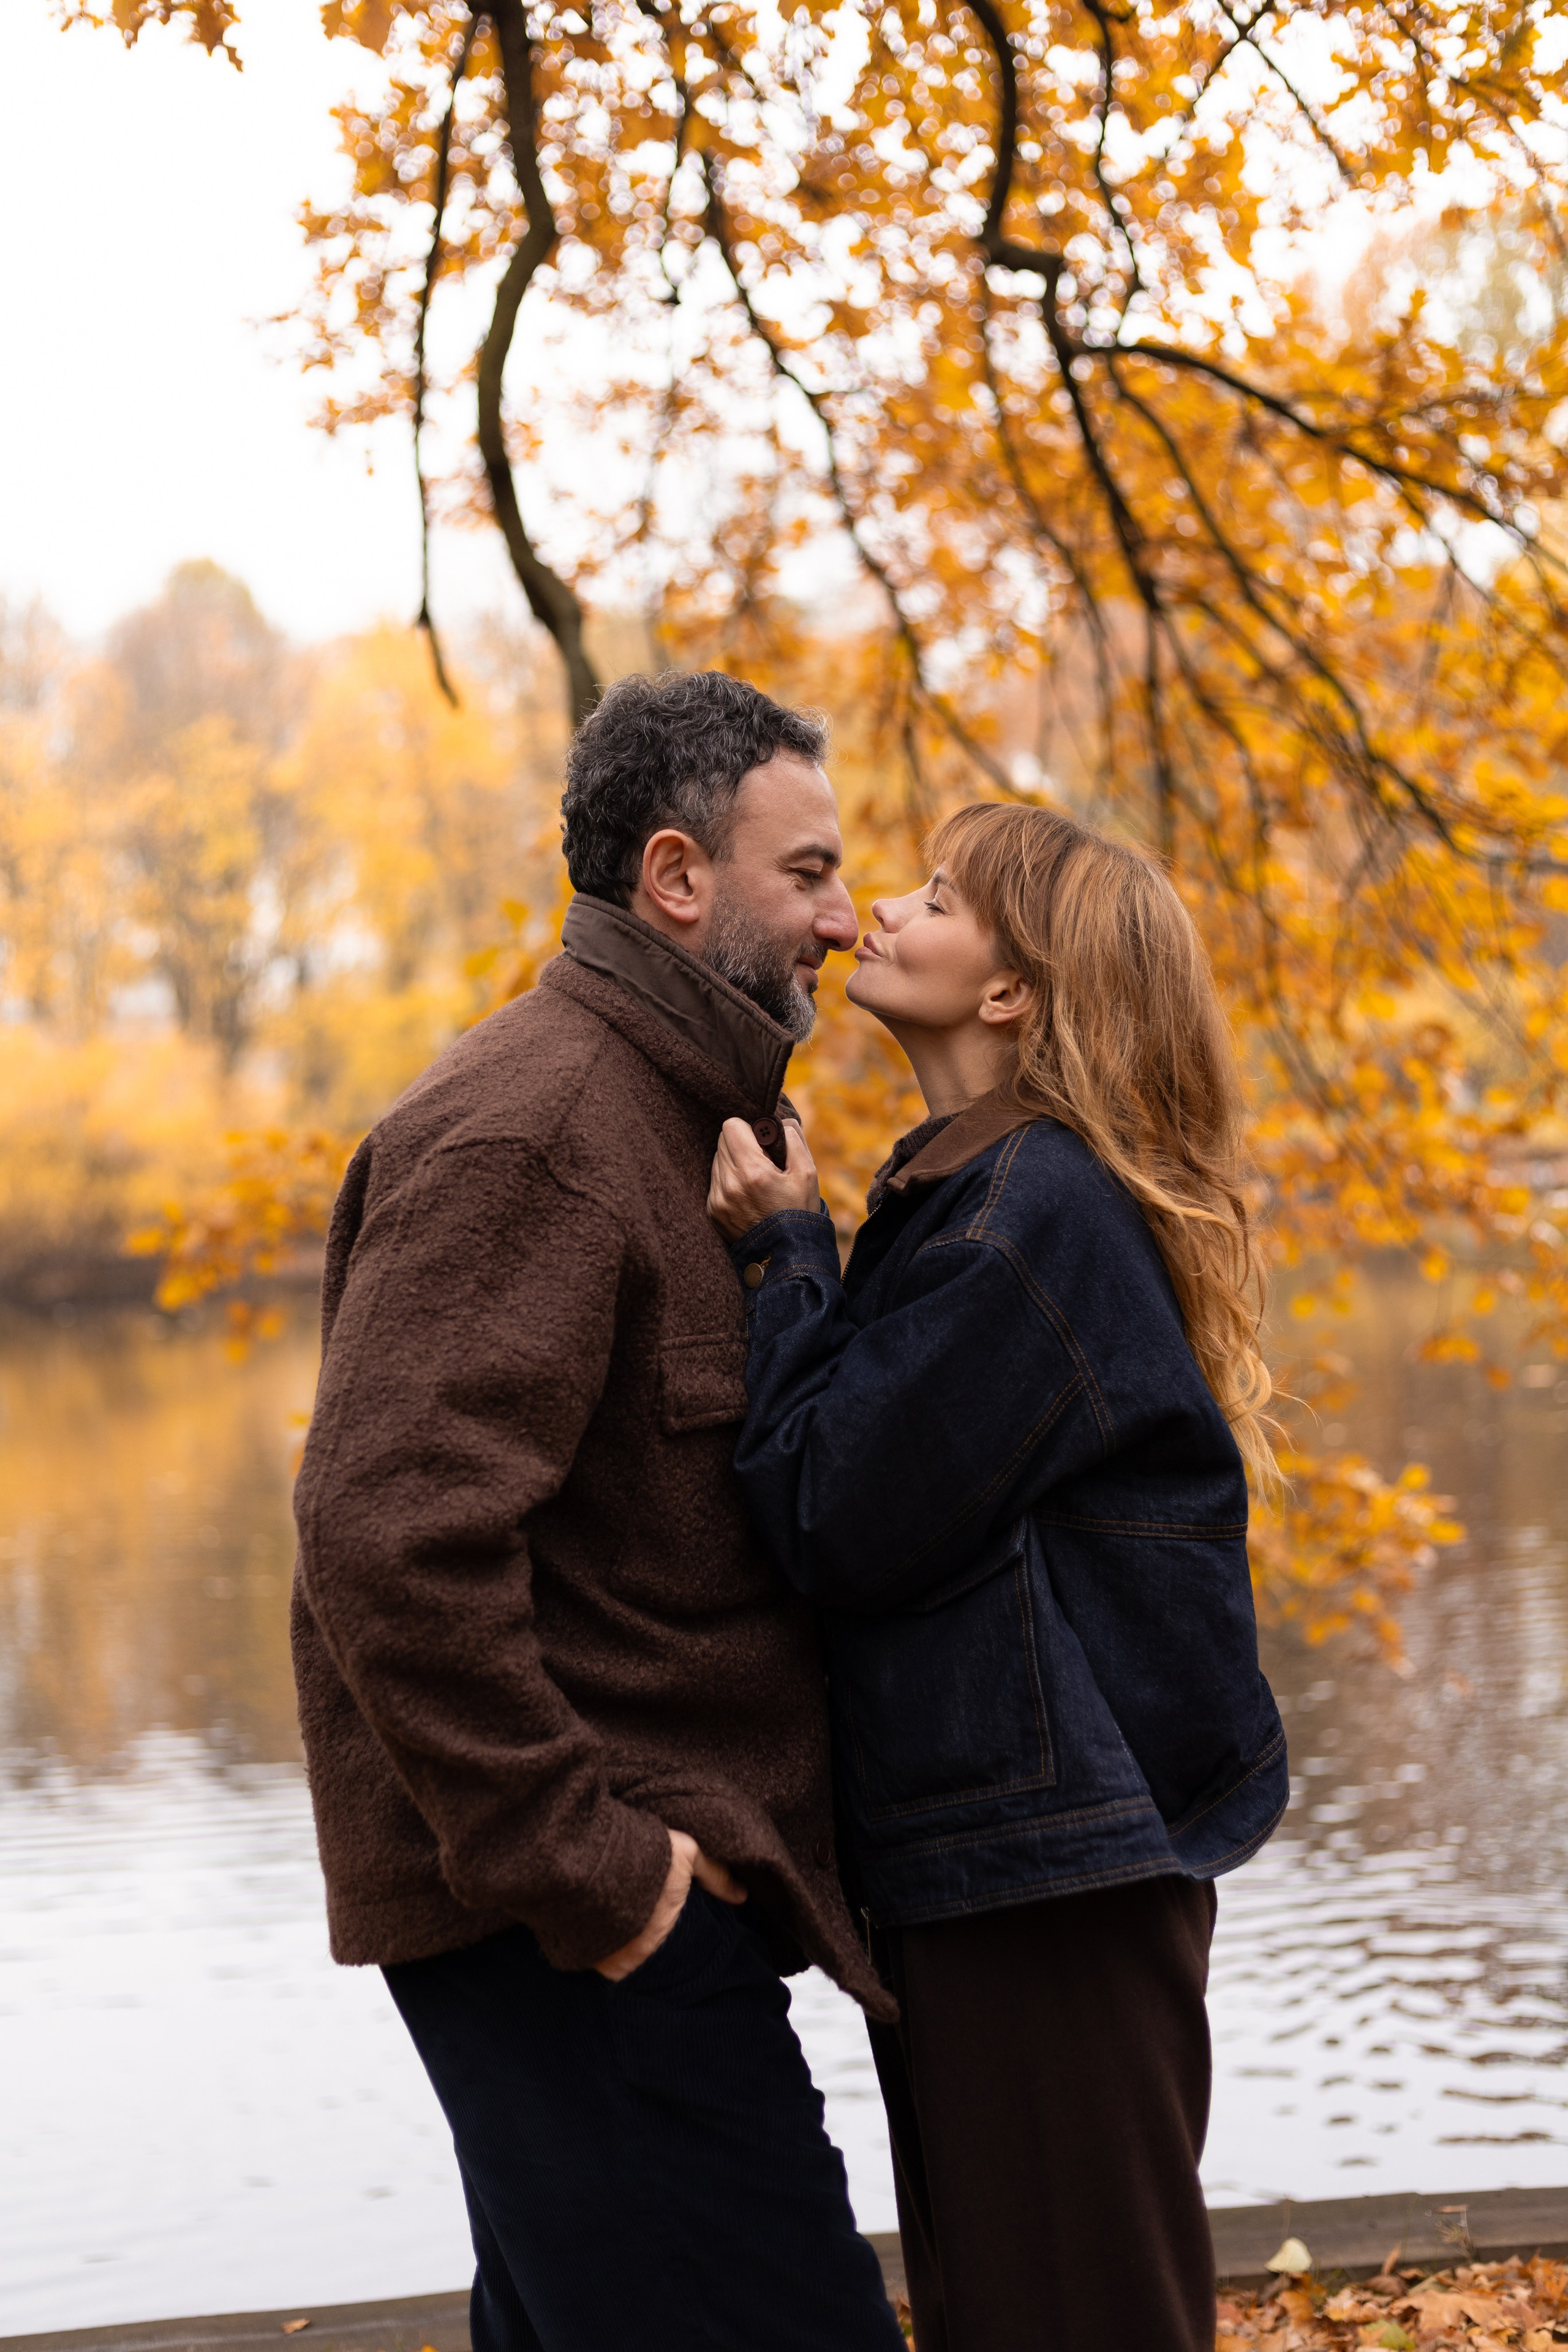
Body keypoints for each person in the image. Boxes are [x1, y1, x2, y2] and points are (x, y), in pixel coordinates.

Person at [291, 671, 905, 2352]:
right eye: (813, 874)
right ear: (678, 876)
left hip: (603, 1927)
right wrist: (607, 1879)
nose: (847, 922)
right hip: (573, 1930)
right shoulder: (538, 1128)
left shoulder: (678, 1117)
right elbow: (384, 1537)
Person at [707, 800, 1289, 2352]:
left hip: (1055, 1879)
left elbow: (835, 1508)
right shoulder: (972, 1195)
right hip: (1011, 1868)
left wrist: (783, 1260)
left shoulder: (1034, 1216)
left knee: (1072, 2313)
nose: (876, 912)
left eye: (939, 899)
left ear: (1010, 991)